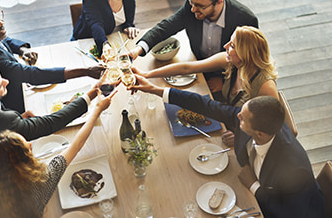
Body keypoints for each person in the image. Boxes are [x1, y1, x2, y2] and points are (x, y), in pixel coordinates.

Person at [127, 75, 326, 218]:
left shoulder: (294, 167)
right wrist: (155, 89)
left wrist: (254, 186)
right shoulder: (253, 122)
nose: (236, 116)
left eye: (242, 119)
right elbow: (207, 106)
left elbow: (290, 213)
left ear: (260, 134)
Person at [0, 86, 117, 217]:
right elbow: (76, 145)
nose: (30, 144)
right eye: (26, 147)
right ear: (20, 168)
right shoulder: (37, 186)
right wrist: (97, 110)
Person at [134, 26, 278, 146]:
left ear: (246, 54)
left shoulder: (265, 86)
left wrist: (244, 138)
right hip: (225, 122)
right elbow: (187, 68)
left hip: (243, 137)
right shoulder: (232, 61)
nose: (225, 46)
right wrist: (146, 75)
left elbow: (279, 130)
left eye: (232, 45)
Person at [0, 1, 106, 113]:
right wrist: (85, 71)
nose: (1, 23)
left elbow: (5, 41)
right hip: (16, 105)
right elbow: (30, 75)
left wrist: (22, 50)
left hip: (24, 87)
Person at [129, 0, 258, 62]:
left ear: (219, 2)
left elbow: (249, 60)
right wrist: (139, 49)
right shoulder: (193, 6)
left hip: (225, 75)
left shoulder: (245, 20)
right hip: (196, 65)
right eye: (191, 2)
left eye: (200, 6)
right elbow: (167, 26)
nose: (193, 9)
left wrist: (225, 83)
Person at [0, 65, 106, 142]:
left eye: (1, 77)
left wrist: (19, 122)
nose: (7, 82)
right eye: (0, 85)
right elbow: (49, 123)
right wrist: (92, 93)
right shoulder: (3, 120)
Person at [71, 0, 139, 57]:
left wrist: (129, 25)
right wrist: (104, 44)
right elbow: (95, 24)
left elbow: (130, 3)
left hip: (115, 37)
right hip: (88, 39)